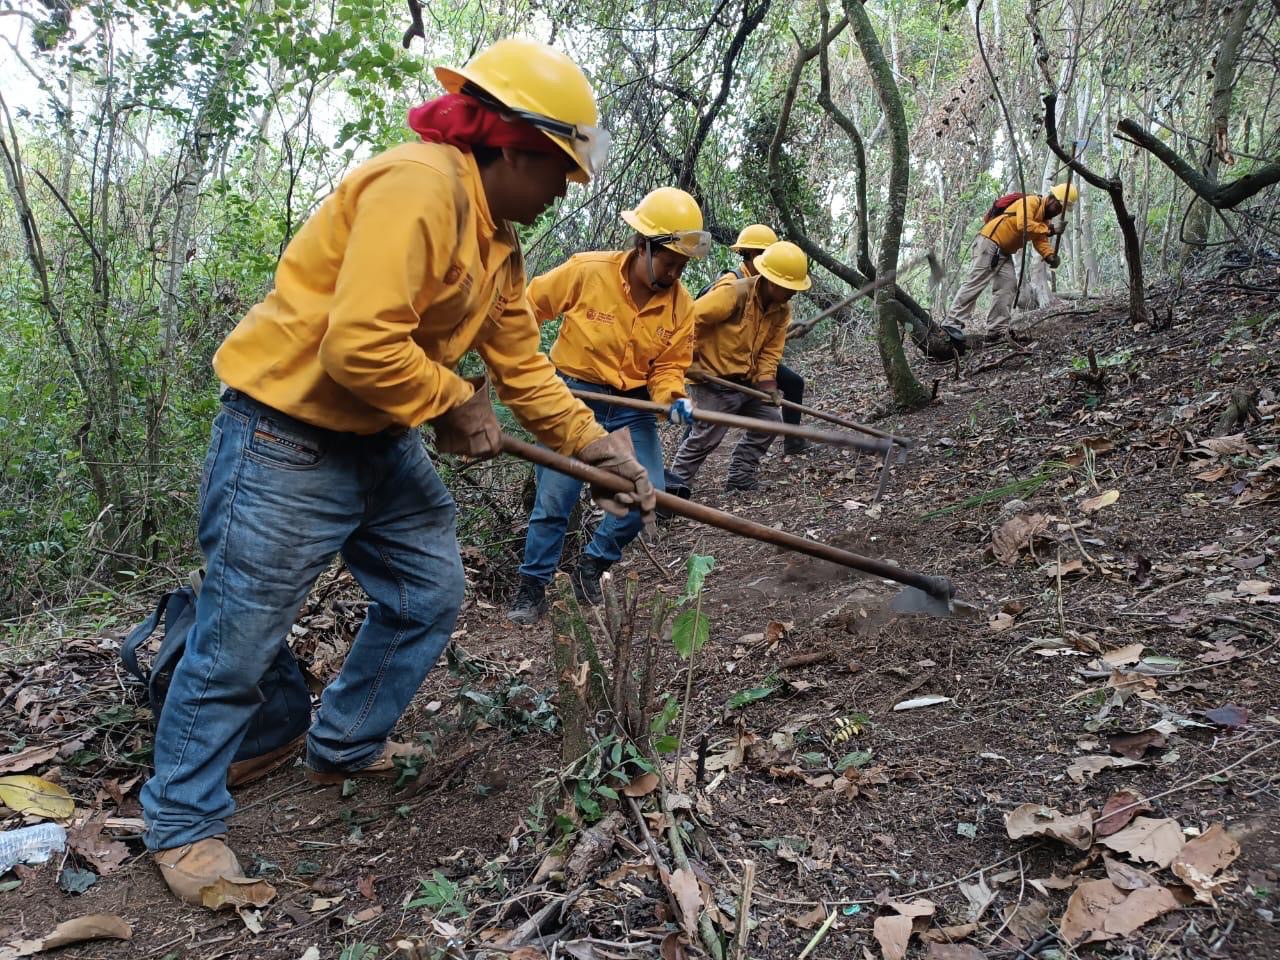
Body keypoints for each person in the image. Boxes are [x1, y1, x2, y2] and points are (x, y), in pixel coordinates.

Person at [141, 38, 657, 906]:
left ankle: (342, 744)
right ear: (508, 146)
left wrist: (589, 442)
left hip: (377, 441)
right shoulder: (418, 187)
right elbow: (358, 344)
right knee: (237, 642)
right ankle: (183, 822)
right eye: (556, 173)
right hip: (286, 441)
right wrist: (454, 402)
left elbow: (522, 364)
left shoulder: (498, 239)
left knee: (428, 593)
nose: (562, 191)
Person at [506, 188, 707, 624]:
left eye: (682, 265)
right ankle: (532, 588)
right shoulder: (587, 271)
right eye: (669, 261)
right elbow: (526, 308)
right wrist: (528, 364)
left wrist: (673, 397)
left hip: (631, 406)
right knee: (555, 499)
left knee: (646, 494)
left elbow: (670, 366)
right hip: (572, 395)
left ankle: (591, 568)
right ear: (643, 247)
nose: (675, 272)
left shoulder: (682, 306)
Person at [667, 241, 811, 494]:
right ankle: (672, 490)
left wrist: (768, 384)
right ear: (773, 282)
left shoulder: (781, 310)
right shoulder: (734, 293)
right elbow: (687, 320)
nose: (794, 293)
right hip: (713, 382)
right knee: (705, 438)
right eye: (790, 287)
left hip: (744, 381)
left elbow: (770, 352)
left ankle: (740, 476)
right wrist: (693, 360)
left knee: (770, 421)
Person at [945, 183, 1077, 338]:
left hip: (1004, 252)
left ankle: (997, 329)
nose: (1058, 211)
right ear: (1051, 199)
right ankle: (952, 322)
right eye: (1058, 207)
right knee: (976, 281)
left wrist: (1050, 256)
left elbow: (1040, 240)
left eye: (1062, 210)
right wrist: (1052, 230)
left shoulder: (1043, 220)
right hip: (989, 243)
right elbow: (1024, 225)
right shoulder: (1032, 202)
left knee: (1008, 286)